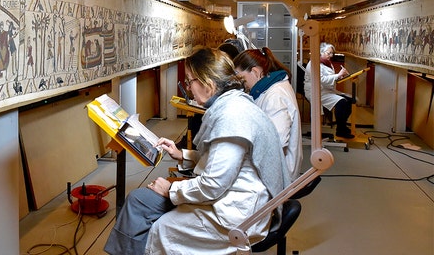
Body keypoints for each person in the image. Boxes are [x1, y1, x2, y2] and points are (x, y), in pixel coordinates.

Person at [104, 46, 290, 255]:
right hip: (235, 197)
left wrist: (169, 190)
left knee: (160, 227)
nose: (189, 88)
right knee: (138, 200)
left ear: (209, 85)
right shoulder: (236, 104)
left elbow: (213, 185)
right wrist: (182, 154)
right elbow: (225, 158)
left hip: (235, 214)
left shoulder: (232, 117)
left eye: (190, 81)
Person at [233, 47, 303, 179]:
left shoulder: (275, 96)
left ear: (255, 71)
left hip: (279, 175)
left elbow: (277, 142)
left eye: (241, 78)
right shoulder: (269, 89)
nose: (242, 84)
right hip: (273, 168)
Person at [303, 42, 354, 139]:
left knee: (350, 100)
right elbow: (321, 79)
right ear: (321, 52)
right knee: (342, 103)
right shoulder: (313, 63)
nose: (330, 56)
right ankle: (341, 130)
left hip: (326, 89)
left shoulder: (327, 63)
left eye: (331, 53)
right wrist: (338, 75)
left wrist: (341, 76)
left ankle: (342, 126)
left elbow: (330, 78)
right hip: (316, 91)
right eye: (328, 53)